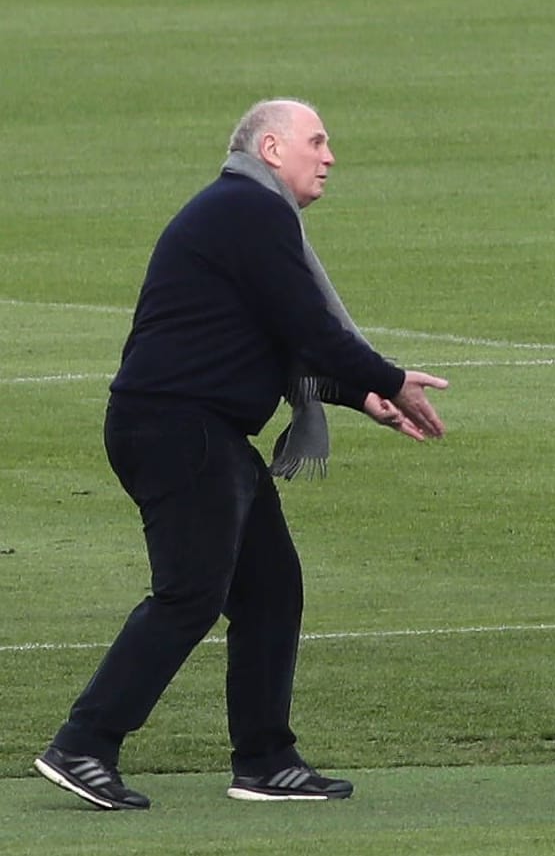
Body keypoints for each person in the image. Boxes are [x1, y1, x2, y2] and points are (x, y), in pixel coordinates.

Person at [33, 98, 448, 811]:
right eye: (316, 141)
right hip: (178, 427)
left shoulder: (247, 213)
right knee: (191, 593)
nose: (330, 156)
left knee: (270, 587)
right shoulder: (248, 211)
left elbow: (274, 340)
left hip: (195, 427)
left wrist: (361, 398)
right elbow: (312, 328)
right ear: (270, 148)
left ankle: (265, 758)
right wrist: (388, 380)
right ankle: (83, 743)